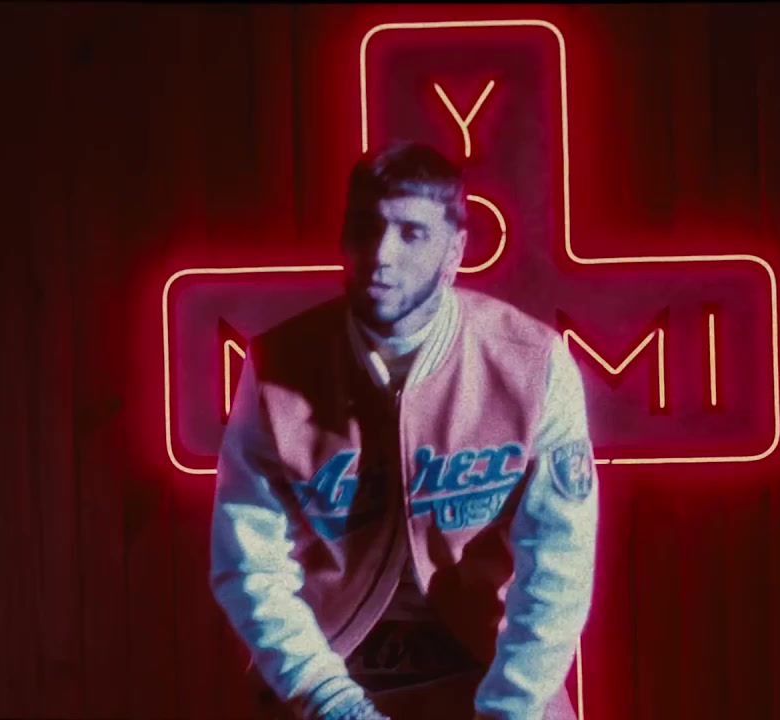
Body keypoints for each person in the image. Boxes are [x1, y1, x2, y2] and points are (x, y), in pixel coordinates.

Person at [209, 140, 598, 720]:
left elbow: (558, 568)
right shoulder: (277, 369)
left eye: (411, 233)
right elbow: (249, 566)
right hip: (325, 680)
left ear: (455, 249)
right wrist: (333, 703)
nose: (380, 254)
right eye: (365, 228)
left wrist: (510, 709)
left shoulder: (531, 363)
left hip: (493, 675)